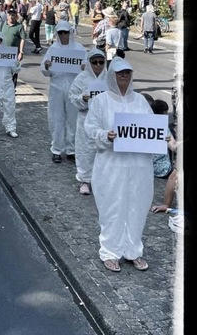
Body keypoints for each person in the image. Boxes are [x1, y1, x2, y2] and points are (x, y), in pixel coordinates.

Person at [84, 57, 154, 272]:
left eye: (127, 73)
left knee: (137, 207)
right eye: (120, 73)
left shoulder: (141, 101)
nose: (124, 77)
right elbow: (90, 128)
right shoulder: (100, 101)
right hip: (111, 166)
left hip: (139, 166)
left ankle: (133, 250)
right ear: (112, 75)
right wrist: (106, 135)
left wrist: (166, 139)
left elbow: (153, 128)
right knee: (112, 208)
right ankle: (110, 251)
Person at [40, 20, 86, 163]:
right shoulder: (53, 49)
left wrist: (85, 67)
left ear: (70, 33)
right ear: (57, 34)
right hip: (56, 88)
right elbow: (44, 70)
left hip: (74, 88)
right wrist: (46, 66)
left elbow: (88, 70)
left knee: (73, 120)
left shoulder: (79, 49)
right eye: (61, 33)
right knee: (56, 119)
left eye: (66, 32)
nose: (64, 35)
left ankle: (71, 149)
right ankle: (57, 149)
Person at [68, 49, 107, 195]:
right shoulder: (81, 78)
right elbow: (72, 96)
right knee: (85, 150)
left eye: (101, 62)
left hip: (104, 120)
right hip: (86, 117)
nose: (98, 65)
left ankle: (101, 180)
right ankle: (85, 180)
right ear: (89, 63)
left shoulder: (110, 79)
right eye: (94, 62)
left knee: (103, 149)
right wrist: (82, 99)